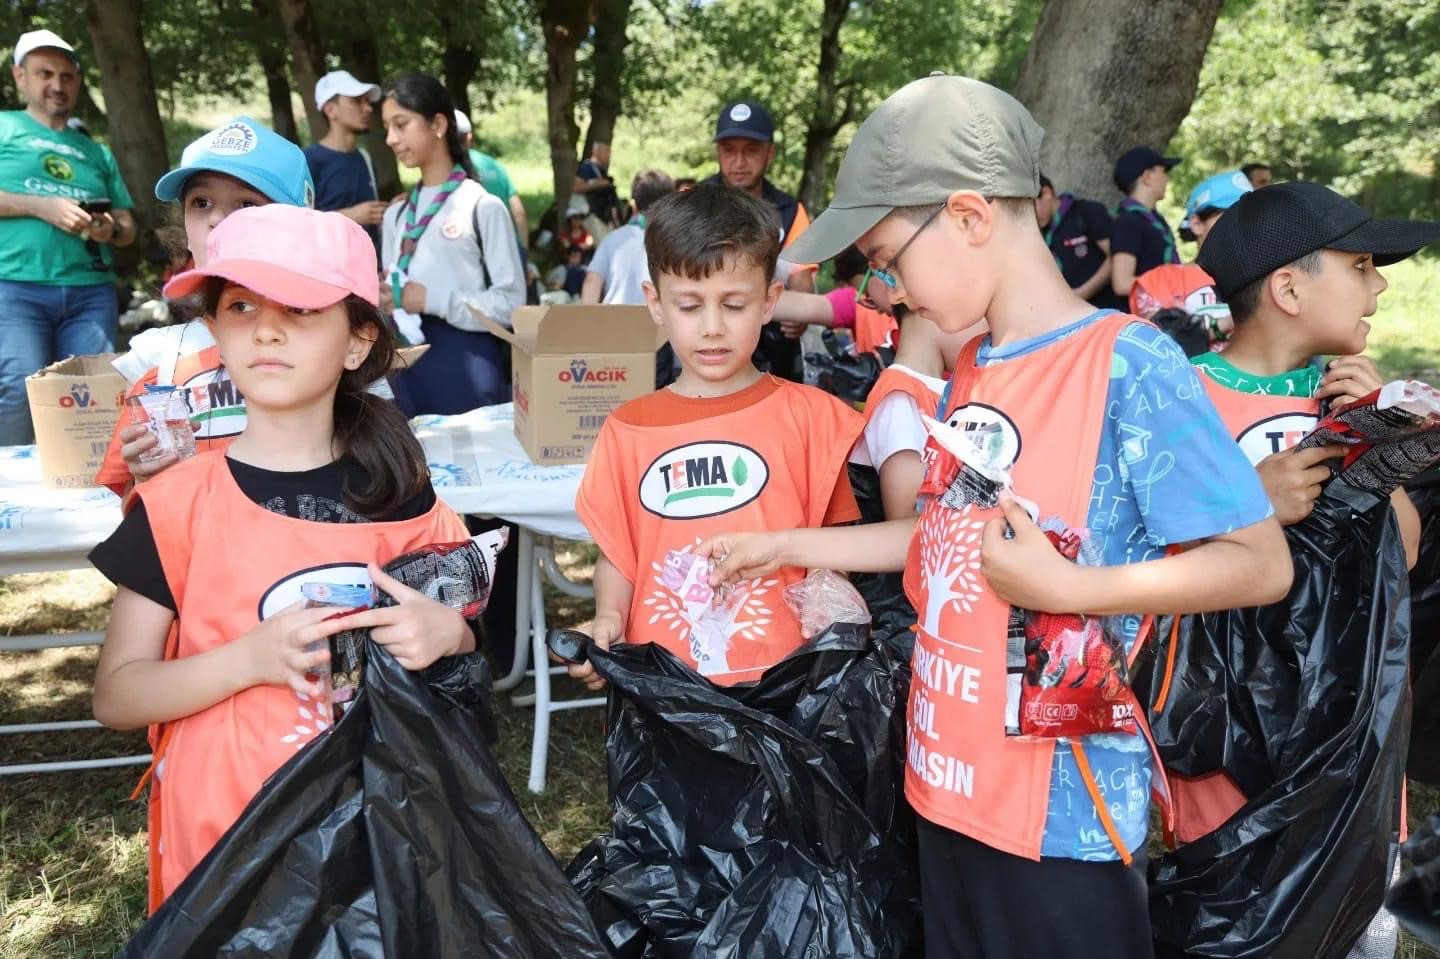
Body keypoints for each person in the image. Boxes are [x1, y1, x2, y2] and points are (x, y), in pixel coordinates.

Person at [690, 74, 1292, 959]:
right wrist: (778, 544)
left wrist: (1071, 585)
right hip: (945, 788)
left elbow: (1259, 560)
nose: (886, 287)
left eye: (890, 256)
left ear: (969, 216)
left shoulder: (1128, 363)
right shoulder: (974, 367)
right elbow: (939, 536)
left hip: (1061, 823)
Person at [89, 205, 474, 910]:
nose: (265, 328)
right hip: (223, 851)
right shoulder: (177, 507)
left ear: (358, 339)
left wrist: (447, 632)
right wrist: (248, 659)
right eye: (240, 305)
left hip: (377, 840)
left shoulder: (402, 493)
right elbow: (118, 692)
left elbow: (464, 629)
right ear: (214, 330)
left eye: (299, 307)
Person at [1184, 180, 1430, 959]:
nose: (1381, 284)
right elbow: (1131, 556)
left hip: (1348, 753)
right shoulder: (1182, 399)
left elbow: (1409, 551)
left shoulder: (1340, 399)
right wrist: (1249, 503)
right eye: (1361, 264)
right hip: (1223, 773)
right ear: (1289, 287)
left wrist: (1379, 450)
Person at [563, 183, 864, 691]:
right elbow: (619, 557)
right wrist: (609, 617)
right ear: (655, 304)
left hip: (786, 687)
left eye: (733, 304)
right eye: (688, 305)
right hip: (666, 687)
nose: (711, 328)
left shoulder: (813, 417)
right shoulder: (628, 430)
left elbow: (835, 554)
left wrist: (829, 644)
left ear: (770, 302)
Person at [93, 117, 316, 495]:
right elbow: (134, 503)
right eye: (201, 203)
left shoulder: (333, 342)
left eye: (247, 203)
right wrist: (145, 479)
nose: (216, 219)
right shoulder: (159, 358)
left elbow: (386, 470)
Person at [0, 29, 137, 445]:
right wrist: (40, 206)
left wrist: (109, 229)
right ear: (20, 76)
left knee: (94, 395)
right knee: (18, 391)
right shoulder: (4, 127)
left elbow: (128, 227)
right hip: (16, 285)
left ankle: (86, 493)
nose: (57, 85)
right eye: (44, 73)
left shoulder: (97, 151)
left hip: (89, 290)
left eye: (67, 76)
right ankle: (11, 496)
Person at [379, 73, 524, 415]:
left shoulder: (482, 207)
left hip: (466, 366)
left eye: (401, 124)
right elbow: (391, 284)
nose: (390, 138)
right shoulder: (396, 214)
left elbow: (512, 304)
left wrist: (432, 299)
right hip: (403, 365)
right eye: (386, 127)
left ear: (438, 124)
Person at [1129, 169, 1253, 343]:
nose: (1241, 225)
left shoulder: (1273, 275)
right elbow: (1160, 344)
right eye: (1229, 216)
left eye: (1250, 217)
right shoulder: (1158, 282)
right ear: (1196, 224)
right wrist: (1226, 323)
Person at [771, 245, 900, 355]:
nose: (868, 302)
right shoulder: (854, 302)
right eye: (864, 292)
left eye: (865, 290)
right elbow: (802, 306)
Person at [304, 70, 387, 241]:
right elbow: (297, 225)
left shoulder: (365, 159)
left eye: (367, 101)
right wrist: (349, 216)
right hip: (327, 267)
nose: (368, 108)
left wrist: (391, 209)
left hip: (371, 265)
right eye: (356, 101)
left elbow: (370, 218)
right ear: (331, 110)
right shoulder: (307, 161)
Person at [581, 168, 674, 306]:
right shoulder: (674, 240)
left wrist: (586, 316)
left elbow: (592, 281)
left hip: (614, 319)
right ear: (669, 204)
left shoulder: (613, 239)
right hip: (658, 321)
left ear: (634, 205)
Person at [1035, 173, 1123, 310]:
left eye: (1031, 207)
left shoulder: (1086, 212)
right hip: (1068, 318)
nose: (1031, 217)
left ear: (1046, 193)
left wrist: (1081, 293)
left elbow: (1117, 257)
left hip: (1106, 311)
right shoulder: (1038, 232)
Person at [1110, 145, 1182, 301]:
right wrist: (1172, 284)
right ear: (1147, 176)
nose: (1166, 178)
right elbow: (1121, 283)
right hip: (1144, 318)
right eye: (1163, 171)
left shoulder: (1155, 219)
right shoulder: (1128, 221)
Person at [454, 110, 530, 248]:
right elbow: (519, 212)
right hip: (507, 245)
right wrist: (523, 250)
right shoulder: (495, 165)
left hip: (473, 249)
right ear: (469, 137)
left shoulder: (448, 169)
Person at [573, 141, 620, 242]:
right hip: (591, 215)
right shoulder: (586, 168)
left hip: (603, 216)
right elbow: (576, 187)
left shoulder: (600, 170)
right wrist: (600, 183)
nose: (609, 154)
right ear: (596, 152)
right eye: (606, 151)